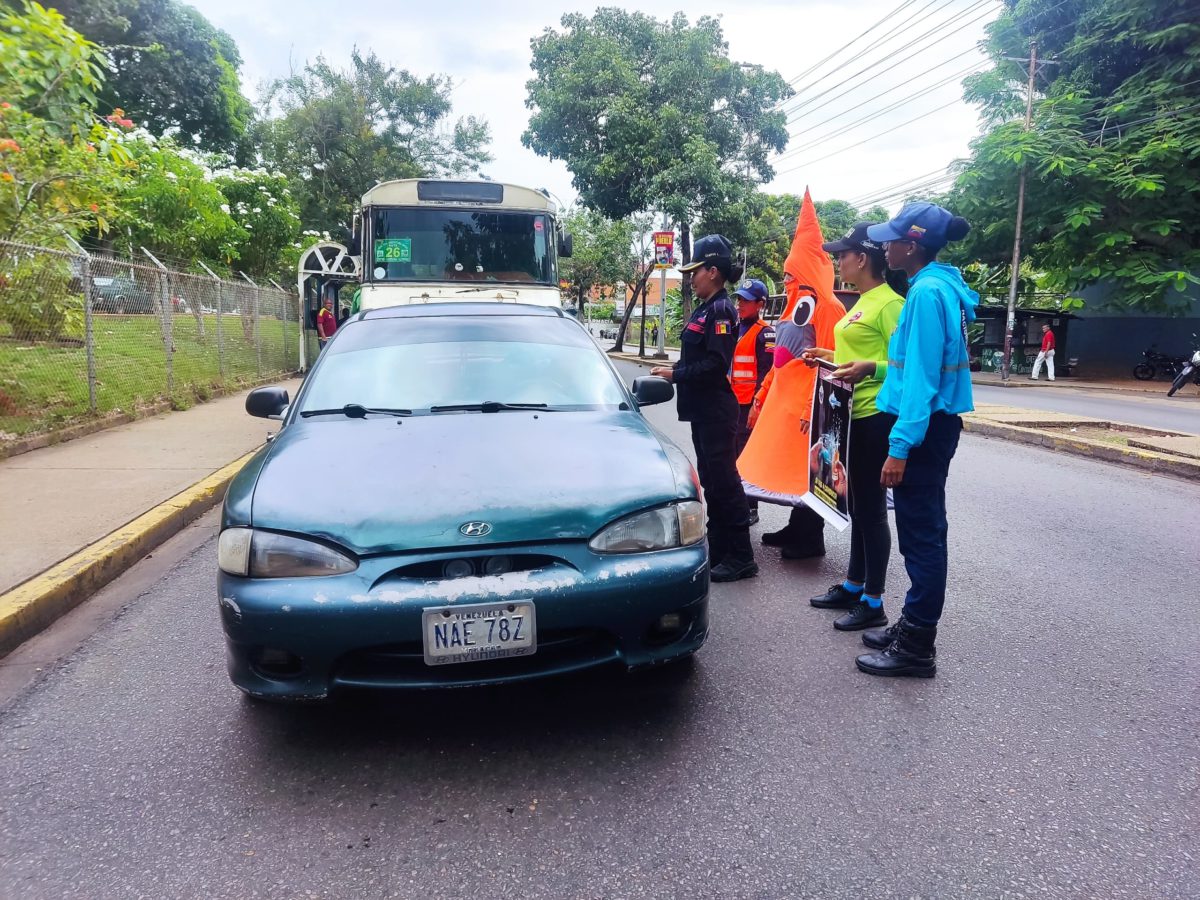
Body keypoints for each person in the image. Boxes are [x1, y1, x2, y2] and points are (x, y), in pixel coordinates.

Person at [847, 202, 975, 678]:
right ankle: (913, 624)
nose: (883, 245)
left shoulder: (925, 295)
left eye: (892, 239)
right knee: (923, 535)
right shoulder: (941, 285)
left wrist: (899, 447)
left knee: (921, 539)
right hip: (935, 428)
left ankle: (917, 646)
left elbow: (920, 380)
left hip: (923, 432)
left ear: (912, 245)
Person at [802, 224, 906, 632]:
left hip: (876, 415)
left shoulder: (891, 305)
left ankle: (874, 600)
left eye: (842, 255)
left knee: (872, 511)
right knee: (856, 507)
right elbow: (855, 354)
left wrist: (871, 368)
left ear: (862, 259)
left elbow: (905, 363)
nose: (837, 261)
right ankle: (853, 584)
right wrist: (828, 355)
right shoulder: (863, 302)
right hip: (850, 414)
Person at [651, 234, 757, 582]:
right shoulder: (706, 307)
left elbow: (716, 362)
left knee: (725, 482)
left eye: (695, 271)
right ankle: (722, 548)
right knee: (711, 481)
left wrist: (674, 373)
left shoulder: (722, 309)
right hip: (703, 411)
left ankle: (742, 556)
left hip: (716, 410)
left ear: (712, 271)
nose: (691, 277)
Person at [729, 279, 775, 526]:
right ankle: (736, 502)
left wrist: (757, 408)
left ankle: (751, 507)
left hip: (749, 405)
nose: (740, 304)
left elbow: (766, 374)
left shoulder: (765, 333)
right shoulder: (735, 328)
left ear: (760, 304)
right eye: (739, 299)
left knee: (745, 457)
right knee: (731, 456)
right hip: (732, 403)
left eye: (746, 301)